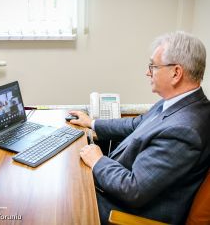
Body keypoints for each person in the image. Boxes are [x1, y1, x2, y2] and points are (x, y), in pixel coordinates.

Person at [69, 31, 210, 224]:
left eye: (153, 66)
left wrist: (98, 161)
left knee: (58, 203)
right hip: (118, 189)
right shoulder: (179, 103)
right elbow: (136, 124)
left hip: (127, 212)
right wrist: (92, 123)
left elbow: (133, 189)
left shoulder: (185, 130)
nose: (147, 72)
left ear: (176, 73)